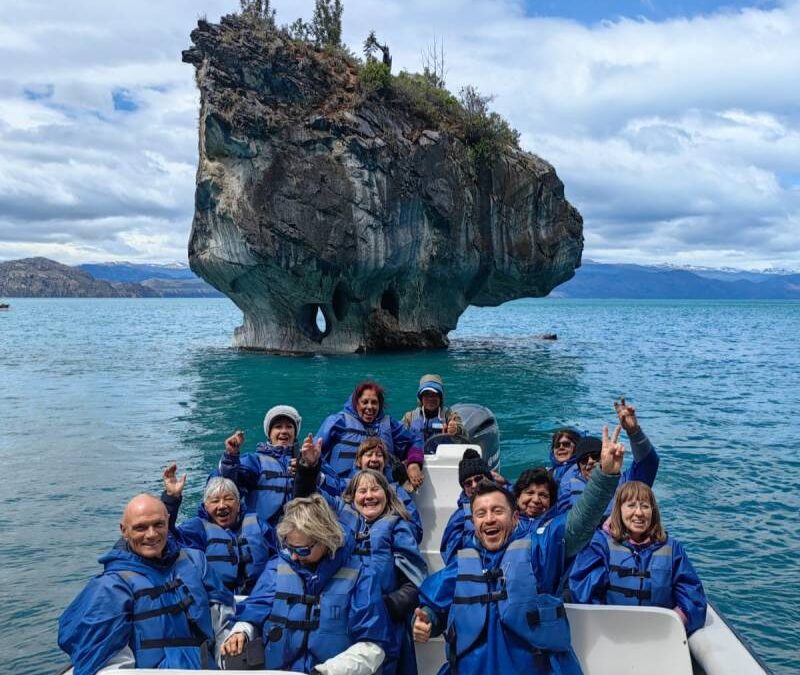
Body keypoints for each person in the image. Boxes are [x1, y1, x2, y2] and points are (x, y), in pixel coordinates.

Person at [412, 426, 628, 674]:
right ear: (474, 522)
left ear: (515, 518)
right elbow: (435, 607)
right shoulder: (462, 564)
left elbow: (577, 525)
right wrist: (426, 620)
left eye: (497, 511)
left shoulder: (539, 549)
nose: (489, 519)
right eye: (481, 514)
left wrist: (605, 476)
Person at [58, 494, 234, 674]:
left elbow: (221, 619)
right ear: (124, 531)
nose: (151, 534)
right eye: (140, 528)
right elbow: (109, 664)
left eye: (158, 524)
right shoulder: (111, 587)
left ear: (168, 522)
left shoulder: (195, 561)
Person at [221, 495, 392, 674]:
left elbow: (373, 645)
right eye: (289, 547)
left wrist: (328, 671)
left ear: (326, 540)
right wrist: (242, 631)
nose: (294, 556)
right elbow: (256, 608)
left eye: (302, 550)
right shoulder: (278, 567)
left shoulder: (361, 575)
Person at [569, 481, 708, 635]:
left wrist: (673, 622)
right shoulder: (600, 545)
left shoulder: (672, 548)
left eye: (645, 506)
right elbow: (584, 593)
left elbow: (693, 598)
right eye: (631, 505)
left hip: (658, 636)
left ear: (653, 512)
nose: (639, 513)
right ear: (618, 510)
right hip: (611, 634)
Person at [160, 465, 277, 594]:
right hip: (216, 601)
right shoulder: (197, 528)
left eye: (229, 499)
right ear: (205, 507)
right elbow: (166, 537)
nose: (222, 505)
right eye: (215, 501)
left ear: (238, 505)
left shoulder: (259, 525)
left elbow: (277, 558)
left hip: (258, 597)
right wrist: (171, 498)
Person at [218, 404, 337, 526]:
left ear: (295, 433)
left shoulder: (310, 458)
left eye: (289, 427)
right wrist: (231, 456)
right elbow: (229, 484)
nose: (284, 431)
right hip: (264, 532)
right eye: (278, 427)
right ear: (269, 433)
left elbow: (336, 489)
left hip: (301, 530)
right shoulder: (254, 460)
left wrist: (310, 472)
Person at [557, 398, 659, 514]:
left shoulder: (625, 482)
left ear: (604, 457)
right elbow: (566, 524)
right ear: (579, 467)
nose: (590, 461)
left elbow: (648, 463)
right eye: (584, 460)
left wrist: (634, 432)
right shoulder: (569, 486)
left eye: (595, 456)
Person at [317, 381, 425, 488]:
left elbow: (414, 441)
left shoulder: (389, 425)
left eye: (374, 402)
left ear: (380, 405)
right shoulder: (337, 421)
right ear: (356, 403)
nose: (370, 407)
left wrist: (414, 464)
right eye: (364, 402)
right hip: (343, 488)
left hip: (382, 489)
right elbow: (315, 455)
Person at [326, 437, 423, 541]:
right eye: (368, 455)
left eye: (379, 455)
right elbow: (320, 489)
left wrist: (386, 534)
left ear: (385, 463)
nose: (374, 459)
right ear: (359, 461)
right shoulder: (345, 485)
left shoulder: (397, 491)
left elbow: (415, 528)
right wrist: (311, 466)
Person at [439, 448, 497, 566]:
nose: (474, 485)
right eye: (468, 483)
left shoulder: (508, 499)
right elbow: (450, 553)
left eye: (478, 479)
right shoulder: (459, 516)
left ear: (488, 478)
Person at [401, 374, 464, 449]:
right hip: (415, 458)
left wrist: (456, 430)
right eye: (427, 394)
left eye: (435, 395)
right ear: (421, 398)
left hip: (443, 457)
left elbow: (464, 436)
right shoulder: (409, 417)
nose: (431, 399)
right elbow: (399, 438)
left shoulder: (450, 415)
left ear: (440, 397)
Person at [513, 467, 558, 534]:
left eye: (543, 495)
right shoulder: (506, 522)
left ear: (551, 501)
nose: (536, 500)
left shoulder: (557, 526)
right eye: (530, 493)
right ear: (518, 497)